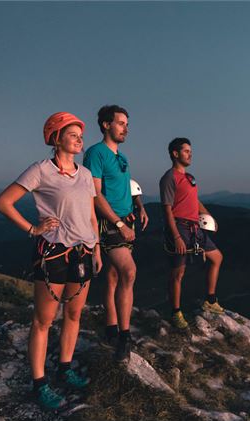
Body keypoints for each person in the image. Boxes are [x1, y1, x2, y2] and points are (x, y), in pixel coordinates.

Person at [0, 112, 101, 410]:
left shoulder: (84, 174)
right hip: (53, 254)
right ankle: (39, 383)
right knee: (43, 320)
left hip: (83, 253)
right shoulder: (40, 170)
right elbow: (3, 202)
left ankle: (65, 368)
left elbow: (91, 215)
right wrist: (32, 229)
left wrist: (97, 249)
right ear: (56, 138)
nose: (80, 138)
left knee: (74, 315)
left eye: (81, 134)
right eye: (73, 134)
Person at [83, 105, 148, 361]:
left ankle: (110, 326)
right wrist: (118, 224)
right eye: (121, 123)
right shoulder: (95, 153)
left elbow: (125, 187)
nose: (126, 129)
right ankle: (124, 336)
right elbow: (96, 194)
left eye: (127, 124)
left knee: (112, 276)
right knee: (128, 272)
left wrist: (137, 208)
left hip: (124, 219)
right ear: (106, 125)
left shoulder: (122, 156)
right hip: (108, 223)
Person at [159, 137, 224, 330]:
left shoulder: (189, 178)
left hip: (196, 228)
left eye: (190, 151)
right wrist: (176, 236)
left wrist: (209, 216)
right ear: (175, 154)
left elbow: (195, 202)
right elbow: (167, 209)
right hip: (179, 227)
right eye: (186, 151)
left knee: (217, 258)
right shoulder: (169, 177)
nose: (190, 154)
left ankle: (210, 300)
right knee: (178, 273)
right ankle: (175, 313)